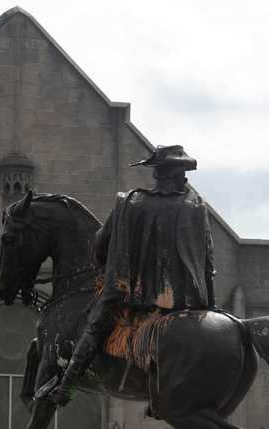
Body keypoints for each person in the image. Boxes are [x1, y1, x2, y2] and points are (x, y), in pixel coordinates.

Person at [50, 145, 216, 405]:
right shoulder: (196, 207)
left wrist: (106, 268)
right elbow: (208, 261)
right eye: (183, 173)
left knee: (95, 324)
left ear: (157, 174)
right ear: (177, 175)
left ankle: (66, 387)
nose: (186, 178)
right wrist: (210, 304)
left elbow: (100, 244)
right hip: (187, 300)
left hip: (135, 294)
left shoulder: (130, 202)